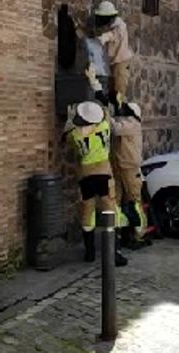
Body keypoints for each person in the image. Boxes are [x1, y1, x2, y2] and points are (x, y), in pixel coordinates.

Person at [85, 65, 148, 249]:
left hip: (130, 168)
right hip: (119, 167)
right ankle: (118, 236)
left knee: (134, 202)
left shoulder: (132, 125)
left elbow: (112, 125)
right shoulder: (125, 120)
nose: (123, 112)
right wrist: (95, 85)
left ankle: (139, 235)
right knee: (116, 202)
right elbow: (112, 107)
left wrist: (104, 110)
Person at [62, 100, 129, 266]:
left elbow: (66, 137)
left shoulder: (75, 134)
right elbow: (106, 113)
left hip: (86, 176)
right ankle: (115, 253)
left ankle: (89, 252)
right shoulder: (104, 127)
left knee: (87, 211)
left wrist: (70, 120)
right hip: (104, 174)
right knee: (111, 211)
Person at [93, 1, 133, 108]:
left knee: (119, 89)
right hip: (112, 62)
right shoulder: (110, 26)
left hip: (121, 62)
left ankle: (119, 112)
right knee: (110, 89)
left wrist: (103, 38)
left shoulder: (120, 26)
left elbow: (113, 35)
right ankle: (112, 110)